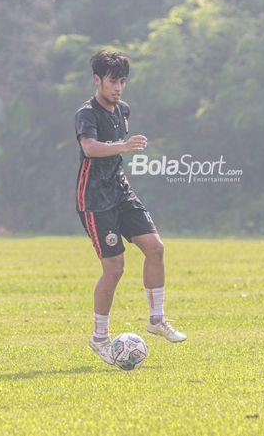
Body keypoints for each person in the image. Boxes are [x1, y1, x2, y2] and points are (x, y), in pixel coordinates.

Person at [74, 50, 187, 366]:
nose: (118, 87)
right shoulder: (86, 114)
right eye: (112, 81)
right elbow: (90, 148)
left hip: (121, 192)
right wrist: (122, 147)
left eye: (122, 81)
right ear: (97, 80)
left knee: (155, 248)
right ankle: (99, 338)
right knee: (115, 269)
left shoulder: (123, 110)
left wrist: (121, 151)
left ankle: (156, 319)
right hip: (94, 199)